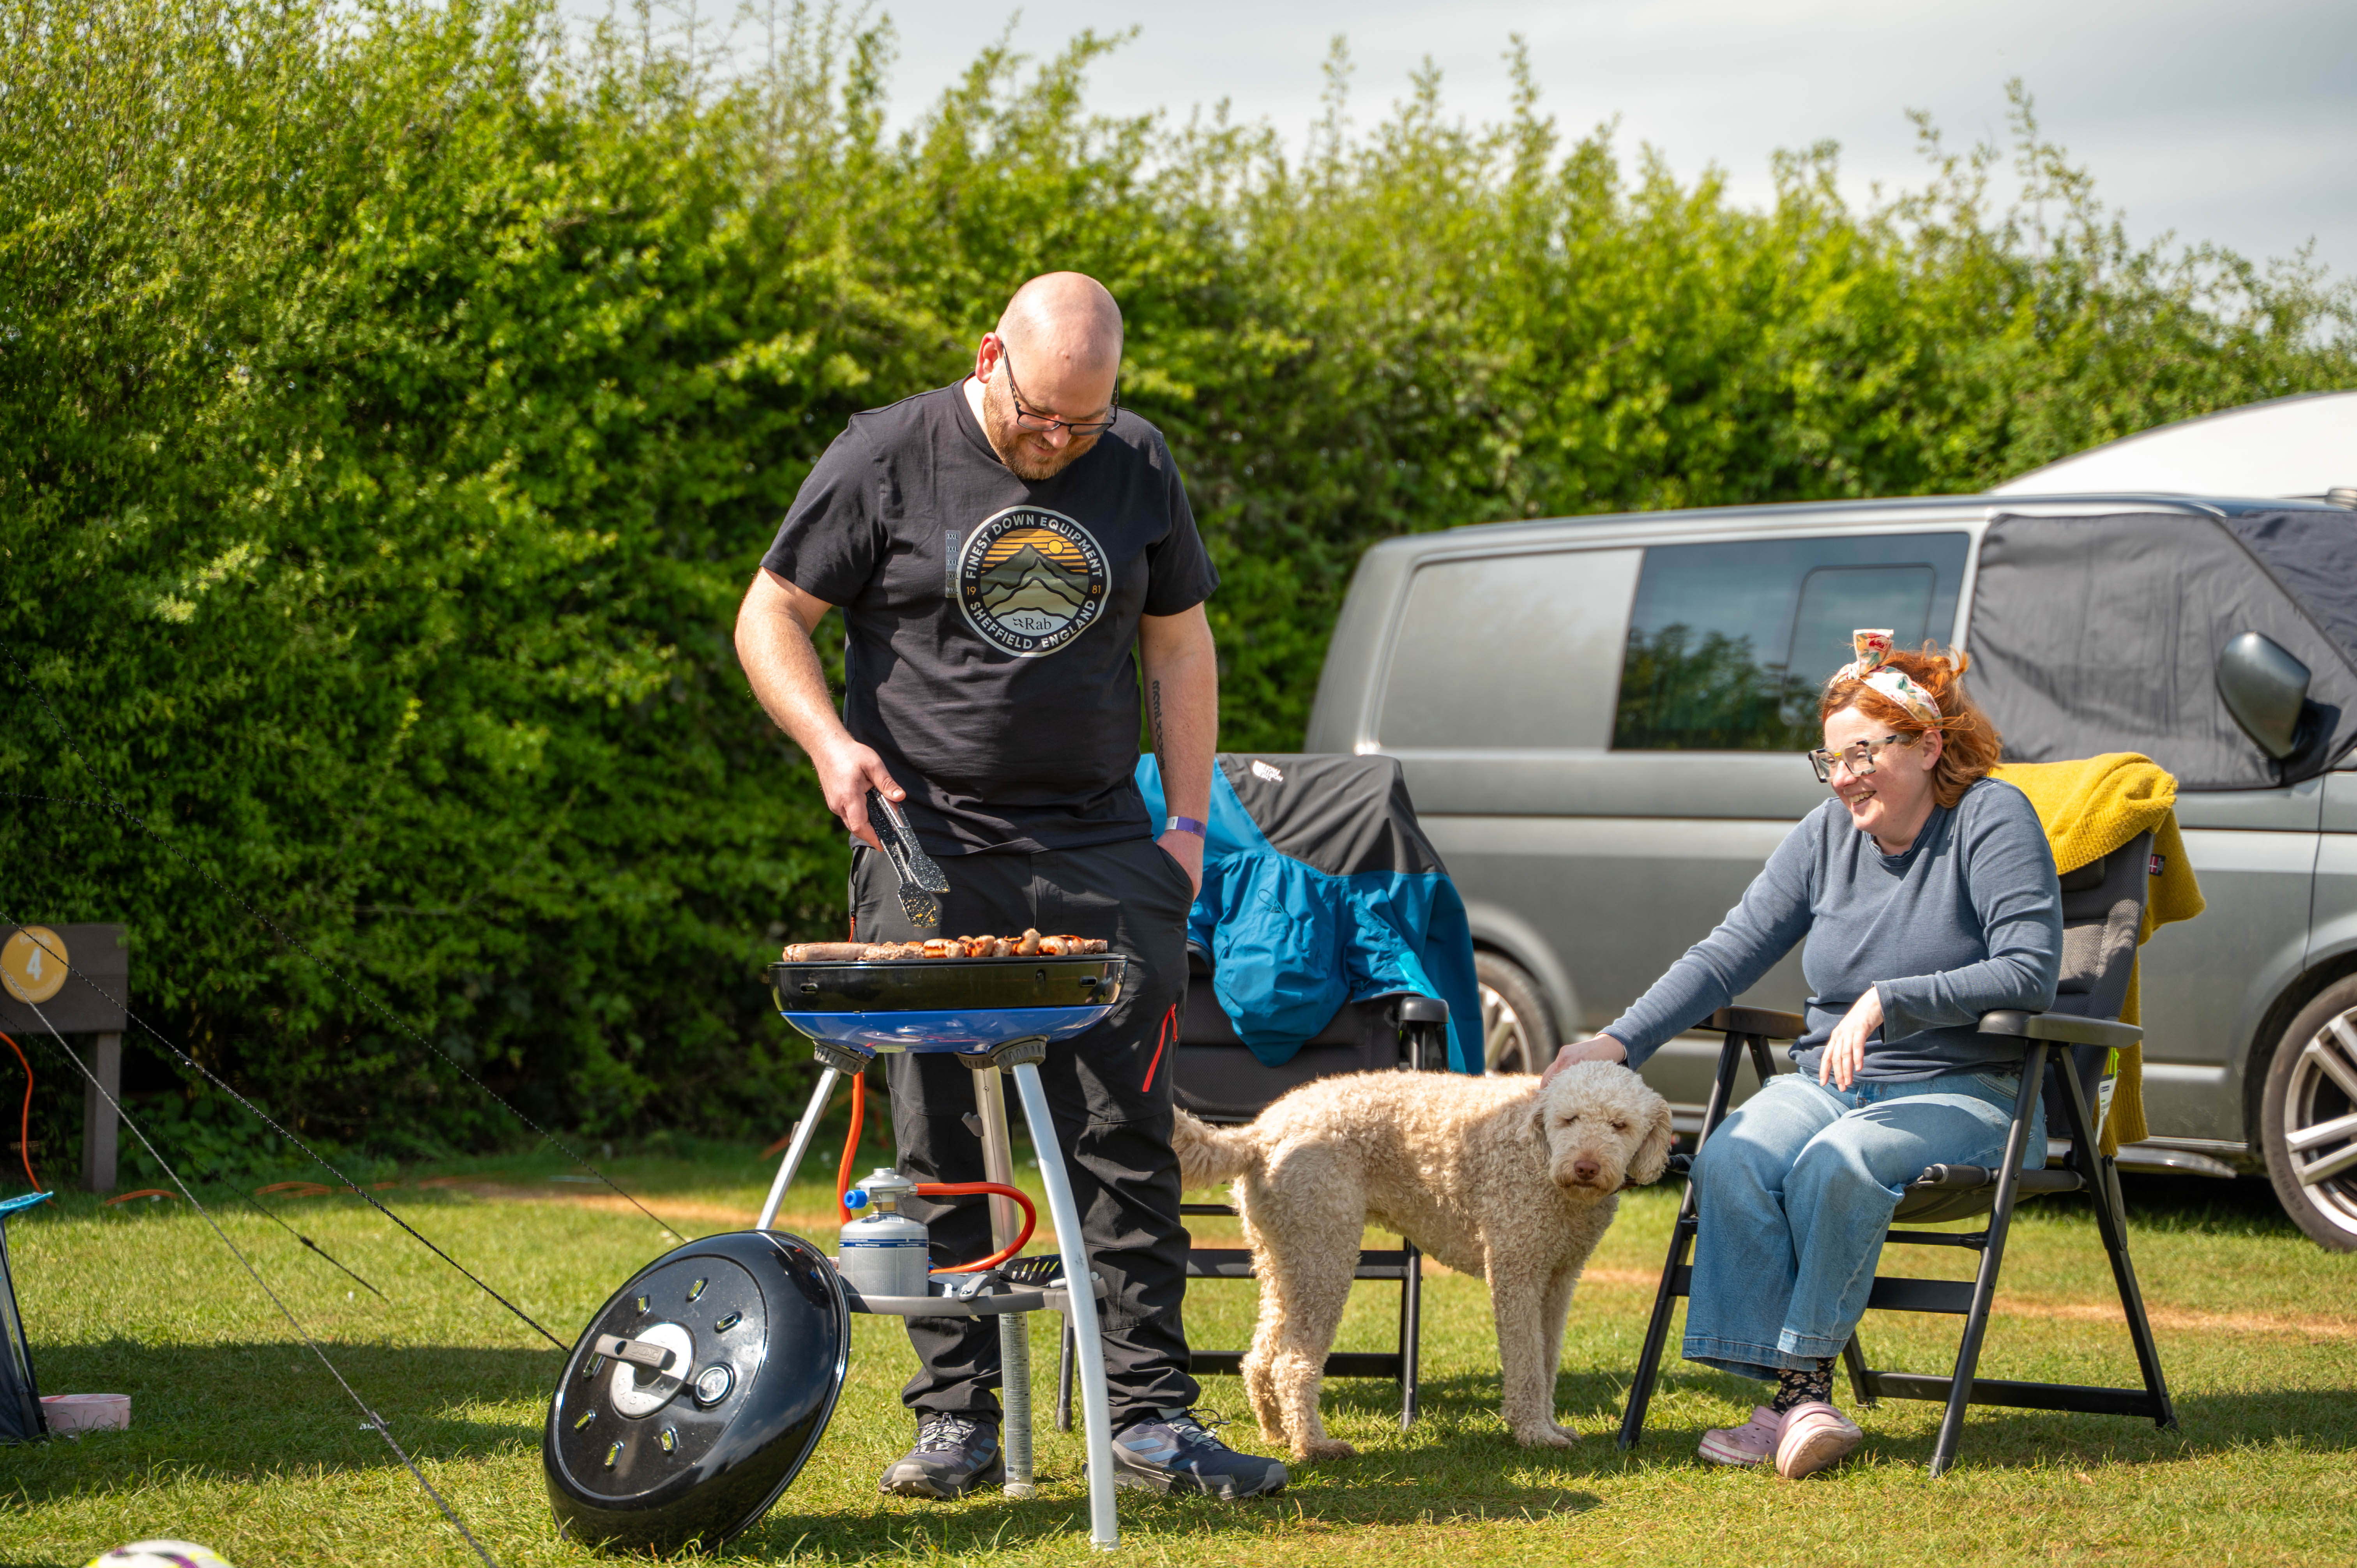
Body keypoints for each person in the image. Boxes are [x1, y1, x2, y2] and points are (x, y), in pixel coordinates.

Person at [733, 272, 1287, 1501]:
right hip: (927, 845)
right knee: (935, 1131)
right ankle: (955, 1422)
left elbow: (1181, 642)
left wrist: (1185, 826)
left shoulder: (1136, 463)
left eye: (1083, 426)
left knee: (1125, 1131)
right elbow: (771, 614)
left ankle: (1149, 1421)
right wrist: (832, 745)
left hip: (1100, 848)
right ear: (991, 357)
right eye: (1042, 416)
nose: (1059, 443)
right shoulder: (883, 454)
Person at [1540, 632, 2060, 1479]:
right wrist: (1618, 1038)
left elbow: (2030, 968)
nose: (1847, 776)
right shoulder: (1827, 833)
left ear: (1929, 746)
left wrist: (1896, 996)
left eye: (1865, 753)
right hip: (1830, 1079)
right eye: (1832, 760)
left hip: (1970, 1090)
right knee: (1733, 1155)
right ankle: (1804, 1400)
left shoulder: (1991, 818)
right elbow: (1727, 952)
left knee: (1840, 1158)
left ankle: (1791, 1393)